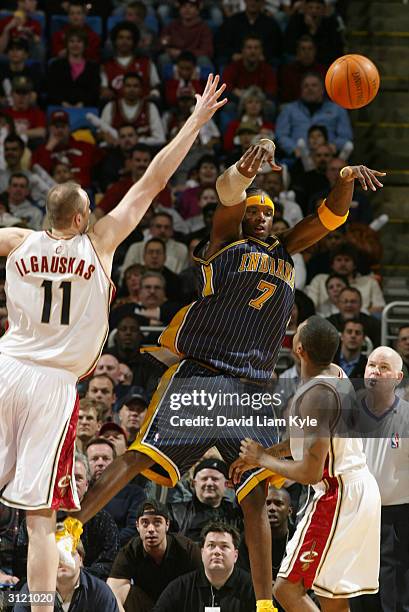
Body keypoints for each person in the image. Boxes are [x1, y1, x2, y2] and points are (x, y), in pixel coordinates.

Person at [64, 142, 385, 612]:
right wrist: (240, 173)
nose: (261, 215)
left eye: (267, 211)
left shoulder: (284, 251)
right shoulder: (222, 244)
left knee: (254, 489)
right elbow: (227, 198)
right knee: (138, 455)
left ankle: (261, 603)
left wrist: (344, 182)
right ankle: (71, 523)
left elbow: (327, 220)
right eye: (253, 209)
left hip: (251, 386)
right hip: (203, 374)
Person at [0, 73, 226, 612]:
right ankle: (37, 608)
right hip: (51, 386)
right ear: (81, 217)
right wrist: (195, 120)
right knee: (40, 519)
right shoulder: (98, 244)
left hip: (5, 368)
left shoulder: (15, 240)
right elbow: (151, 181)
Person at [231, 316, 381, 610]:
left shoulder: (317, 396)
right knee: (331, 595)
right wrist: (269, 455)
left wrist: (261, 458)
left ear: (299, 349)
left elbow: (310, 472)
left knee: (287, 589)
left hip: (337, 495)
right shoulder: (335, 374)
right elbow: (312, 440)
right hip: (357, 488)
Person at [355, 347, 409, 612]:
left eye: (384, 367)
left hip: (395, 518)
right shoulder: (346, 411)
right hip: (355, 515)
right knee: (355, 593)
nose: (375, 371)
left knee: (392, 595)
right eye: (371, 365)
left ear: (398, 377)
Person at [108, 499, 202, 612]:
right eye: (145, 523)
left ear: (167, 525)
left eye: (157, 522)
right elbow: (113, 591)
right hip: (148, 605)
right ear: (137, 526)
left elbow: (206, 589)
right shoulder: (130, 551)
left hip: (179, 606)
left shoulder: (187, 549)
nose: (151, 529)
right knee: (126, 592)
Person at [153, 522, 256, 612]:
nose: (217, 552)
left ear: (235, 555)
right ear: (202, 553)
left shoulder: (252, 588)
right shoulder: (180, 587)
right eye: (211, 546)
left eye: (224, 546)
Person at [14, 540, 120, 611]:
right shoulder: (31, 590)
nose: (62, 561)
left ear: (81, 559)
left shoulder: (100, 592)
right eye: (56, 555)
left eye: (69, 553)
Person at [275, 72, 352, 159]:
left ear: (322, 90)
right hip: (297, 157)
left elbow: (346, 136)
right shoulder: (288, 109)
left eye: (314, 85)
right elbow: (281, 135)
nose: (310, 88)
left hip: (328, 156)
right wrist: (293, 149)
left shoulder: (337, 109)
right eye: (306, 86)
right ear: (301, 90)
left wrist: (334, 146)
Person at [169, 458, 243, 542]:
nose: (209, 483)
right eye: (204, 479)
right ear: (193, 483)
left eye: (215, 479)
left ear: (227, 484)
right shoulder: (175, 513)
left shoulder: (235, 515)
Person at [305, 243, 385, 314]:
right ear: (332, 264)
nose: (343, 264)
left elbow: (380, 308)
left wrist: (354, 314)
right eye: (339, 260)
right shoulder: (319, 280)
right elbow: (310, 305)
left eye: (347, 260)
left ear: (354, 265)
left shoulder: (370, 282)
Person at [100, 72, 166, 147]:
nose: (132, 89)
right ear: (122, 88)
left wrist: (135, 141)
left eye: (135, 86)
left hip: (143, 152)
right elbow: (100, 134)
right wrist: (105, 136)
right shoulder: (111, 106)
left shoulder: (150, 107)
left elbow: (160, 138)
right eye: (128, 86)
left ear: (141, 89)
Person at [47, 28, 100, 108]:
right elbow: (51, 89)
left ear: (84, 45)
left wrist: (82, 103)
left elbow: (94, 92)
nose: (75, 45)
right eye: (71, 41)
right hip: (60, 107)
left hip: (85, 109)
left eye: (79, 41)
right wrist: (63, 103)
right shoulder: (56, 65)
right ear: (67, 45)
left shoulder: (93, 67)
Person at [278, 35, 326, 103]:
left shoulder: (323, 71)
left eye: (310, 49)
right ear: (297, 52)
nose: (307, 52)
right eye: (303, 49)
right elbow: (286, 97)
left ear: (315, 52)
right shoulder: (288, 71)